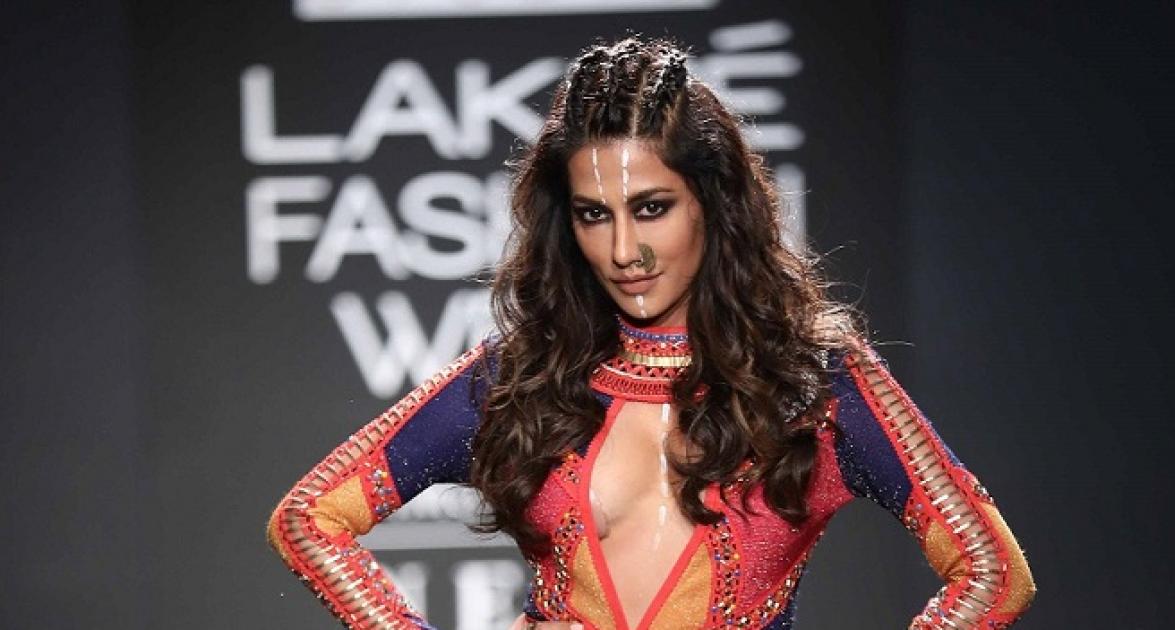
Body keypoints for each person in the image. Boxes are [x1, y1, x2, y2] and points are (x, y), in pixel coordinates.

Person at [266, 35, 1036, 630]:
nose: (623, 251)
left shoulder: (813, 383)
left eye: (652, 208)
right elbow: (309, 520)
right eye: (593, 215)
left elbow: (993, 574)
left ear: (713, 199)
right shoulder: (520, 379)